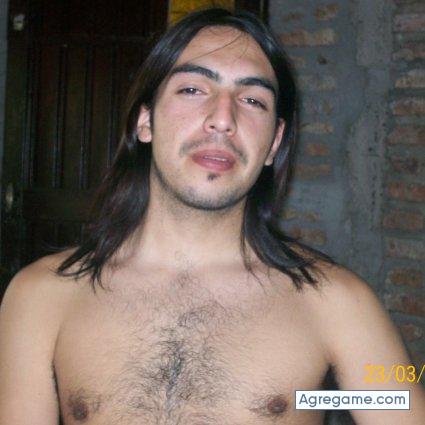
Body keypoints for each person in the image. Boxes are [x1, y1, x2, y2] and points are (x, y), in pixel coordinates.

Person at [0, 8, 423, 425]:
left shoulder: (338, 304)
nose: (223, 119)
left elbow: (392, 397)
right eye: (192, 89)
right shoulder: (41, 297)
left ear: (275, 143)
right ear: (145, 121)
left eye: (253, 100)